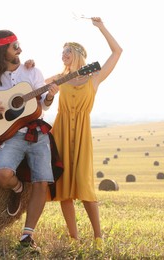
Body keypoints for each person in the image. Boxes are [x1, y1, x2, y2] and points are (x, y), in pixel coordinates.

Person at [0, 29, 59, 250]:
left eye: (19, 44)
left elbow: (42, 104)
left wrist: (50, 95)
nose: (20, 49)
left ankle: (27, 235)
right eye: (14, 46)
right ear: (1, 50)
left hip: (37, 133)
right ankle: (17, 188)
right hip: (12, 135)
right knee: (2, 175)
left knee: (42, 181)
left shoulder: (32, 72)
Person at [45, 17, 122, 250]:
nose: (63, 55)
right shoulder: (59, 78)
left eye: (67, 51)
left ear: (78, 54)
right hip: (60, 132)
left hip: (82, 134)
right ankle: (73, 238)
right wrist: (28, 66)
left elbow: (117, 51)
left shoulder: (94, 78)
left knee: (85, 185)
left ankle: (98, 238)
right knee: (64, 186)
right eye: (62, 52)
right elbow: (33, 84)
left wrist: (102, 28)